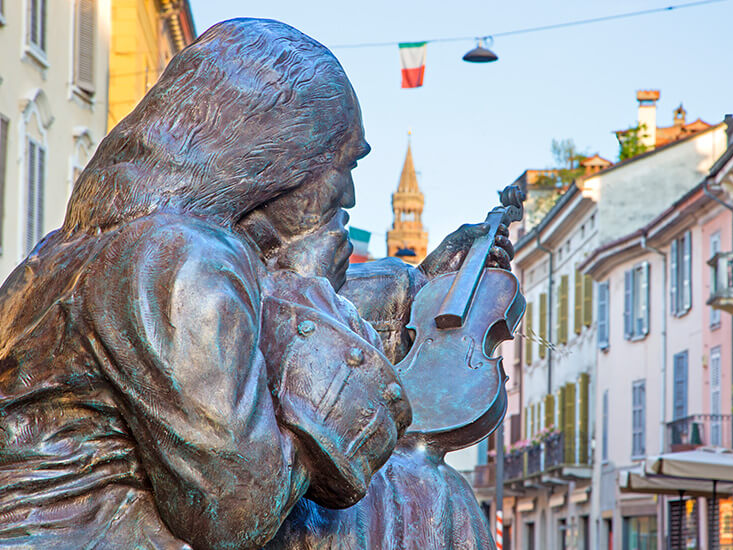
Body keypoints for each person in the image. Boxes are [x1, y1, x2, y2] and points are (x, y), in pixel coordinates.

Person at [0, 19, 514, 549]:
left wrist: (417, 286)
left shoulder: (113, 247)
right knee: (428, 499)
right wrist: (314, 288)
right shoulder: (174, 257)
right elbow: (238, 509)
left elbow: (241, 322)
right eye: (346, 163)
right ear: (284, 157)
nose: (353, 194)